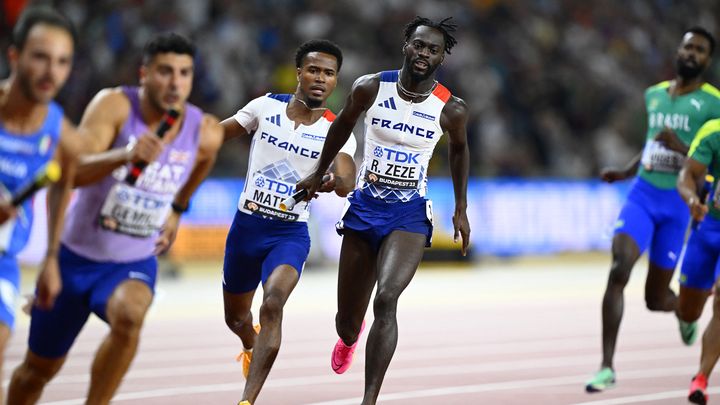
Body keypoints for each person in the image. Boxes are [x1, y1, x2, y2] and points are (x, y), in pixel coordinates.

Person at [8, 32, 224, 404]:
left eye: (185, 73)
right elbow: (71, 172)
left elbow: (203, 161)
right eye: (165, 71)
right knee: (36, 372)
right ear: (144, 73)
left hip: (131, 261)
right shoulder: (114, 106)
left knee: (130, 315)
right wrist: (124, 155)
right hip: (74, 259)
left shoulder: (204, 130)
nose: (175, 83)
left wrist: (177, 208)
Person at [296, 16, 470, 405]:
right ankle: (348, 339)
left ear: (443, 58)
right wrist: (318, 172)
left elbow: (459, 150)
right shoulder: (370, 87)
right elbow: (340, 127)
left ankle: (369, 398)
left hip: (408, 213)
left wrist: (460, 208)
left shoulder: (451, 109)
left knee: (387, 298)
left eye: (433, 49)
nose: (424, 53)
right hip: (364, 208)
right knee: (347, 321)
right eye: (419, 45)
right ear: (406, 45)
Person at [220, 39, 357, 405]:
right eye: (314, 70)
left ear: (335, 82)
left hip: (288, 234)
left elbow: (347, 181)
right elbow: (218, 133)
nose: (320, 78)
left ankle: (247, 399)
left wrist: (328, 181)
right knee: (236, 319)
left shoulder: (337, 129)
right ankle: (250, 343)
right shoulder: (265, 107)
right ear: (299, 73)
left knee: (273, 303)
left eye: (329, 74)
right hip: (246, 229)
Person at [586, 27, 720, 393]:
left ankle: (683, 312)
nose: (691, 54)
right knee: (619, 268)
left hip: (677, 207)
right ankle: (606, 366)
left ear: (708, 60)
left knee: (655, 298)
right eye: (688, 46)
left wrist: (683, 145)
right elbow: (651, 144)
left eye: (700, 50)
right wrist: (626, 171)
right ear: (679, 50)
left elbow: (711, 162)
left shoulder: (714, 103)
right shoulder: (654, 95)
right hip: (642, 195)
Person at [0, 7, 79, 403]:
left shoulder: (60, 130)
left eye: (62, 61)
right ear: (15, 57)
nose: (52, 71)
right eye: (40, 57)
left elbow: (64, 184)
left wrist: (51, 259)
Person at [677, 118, 720, 404]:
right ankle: (686, 318)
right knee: (689, 310)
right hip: (708, 228)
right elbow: (686, 175)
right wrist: (692, 199)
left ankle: (701, 378)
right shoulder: (713, 131)